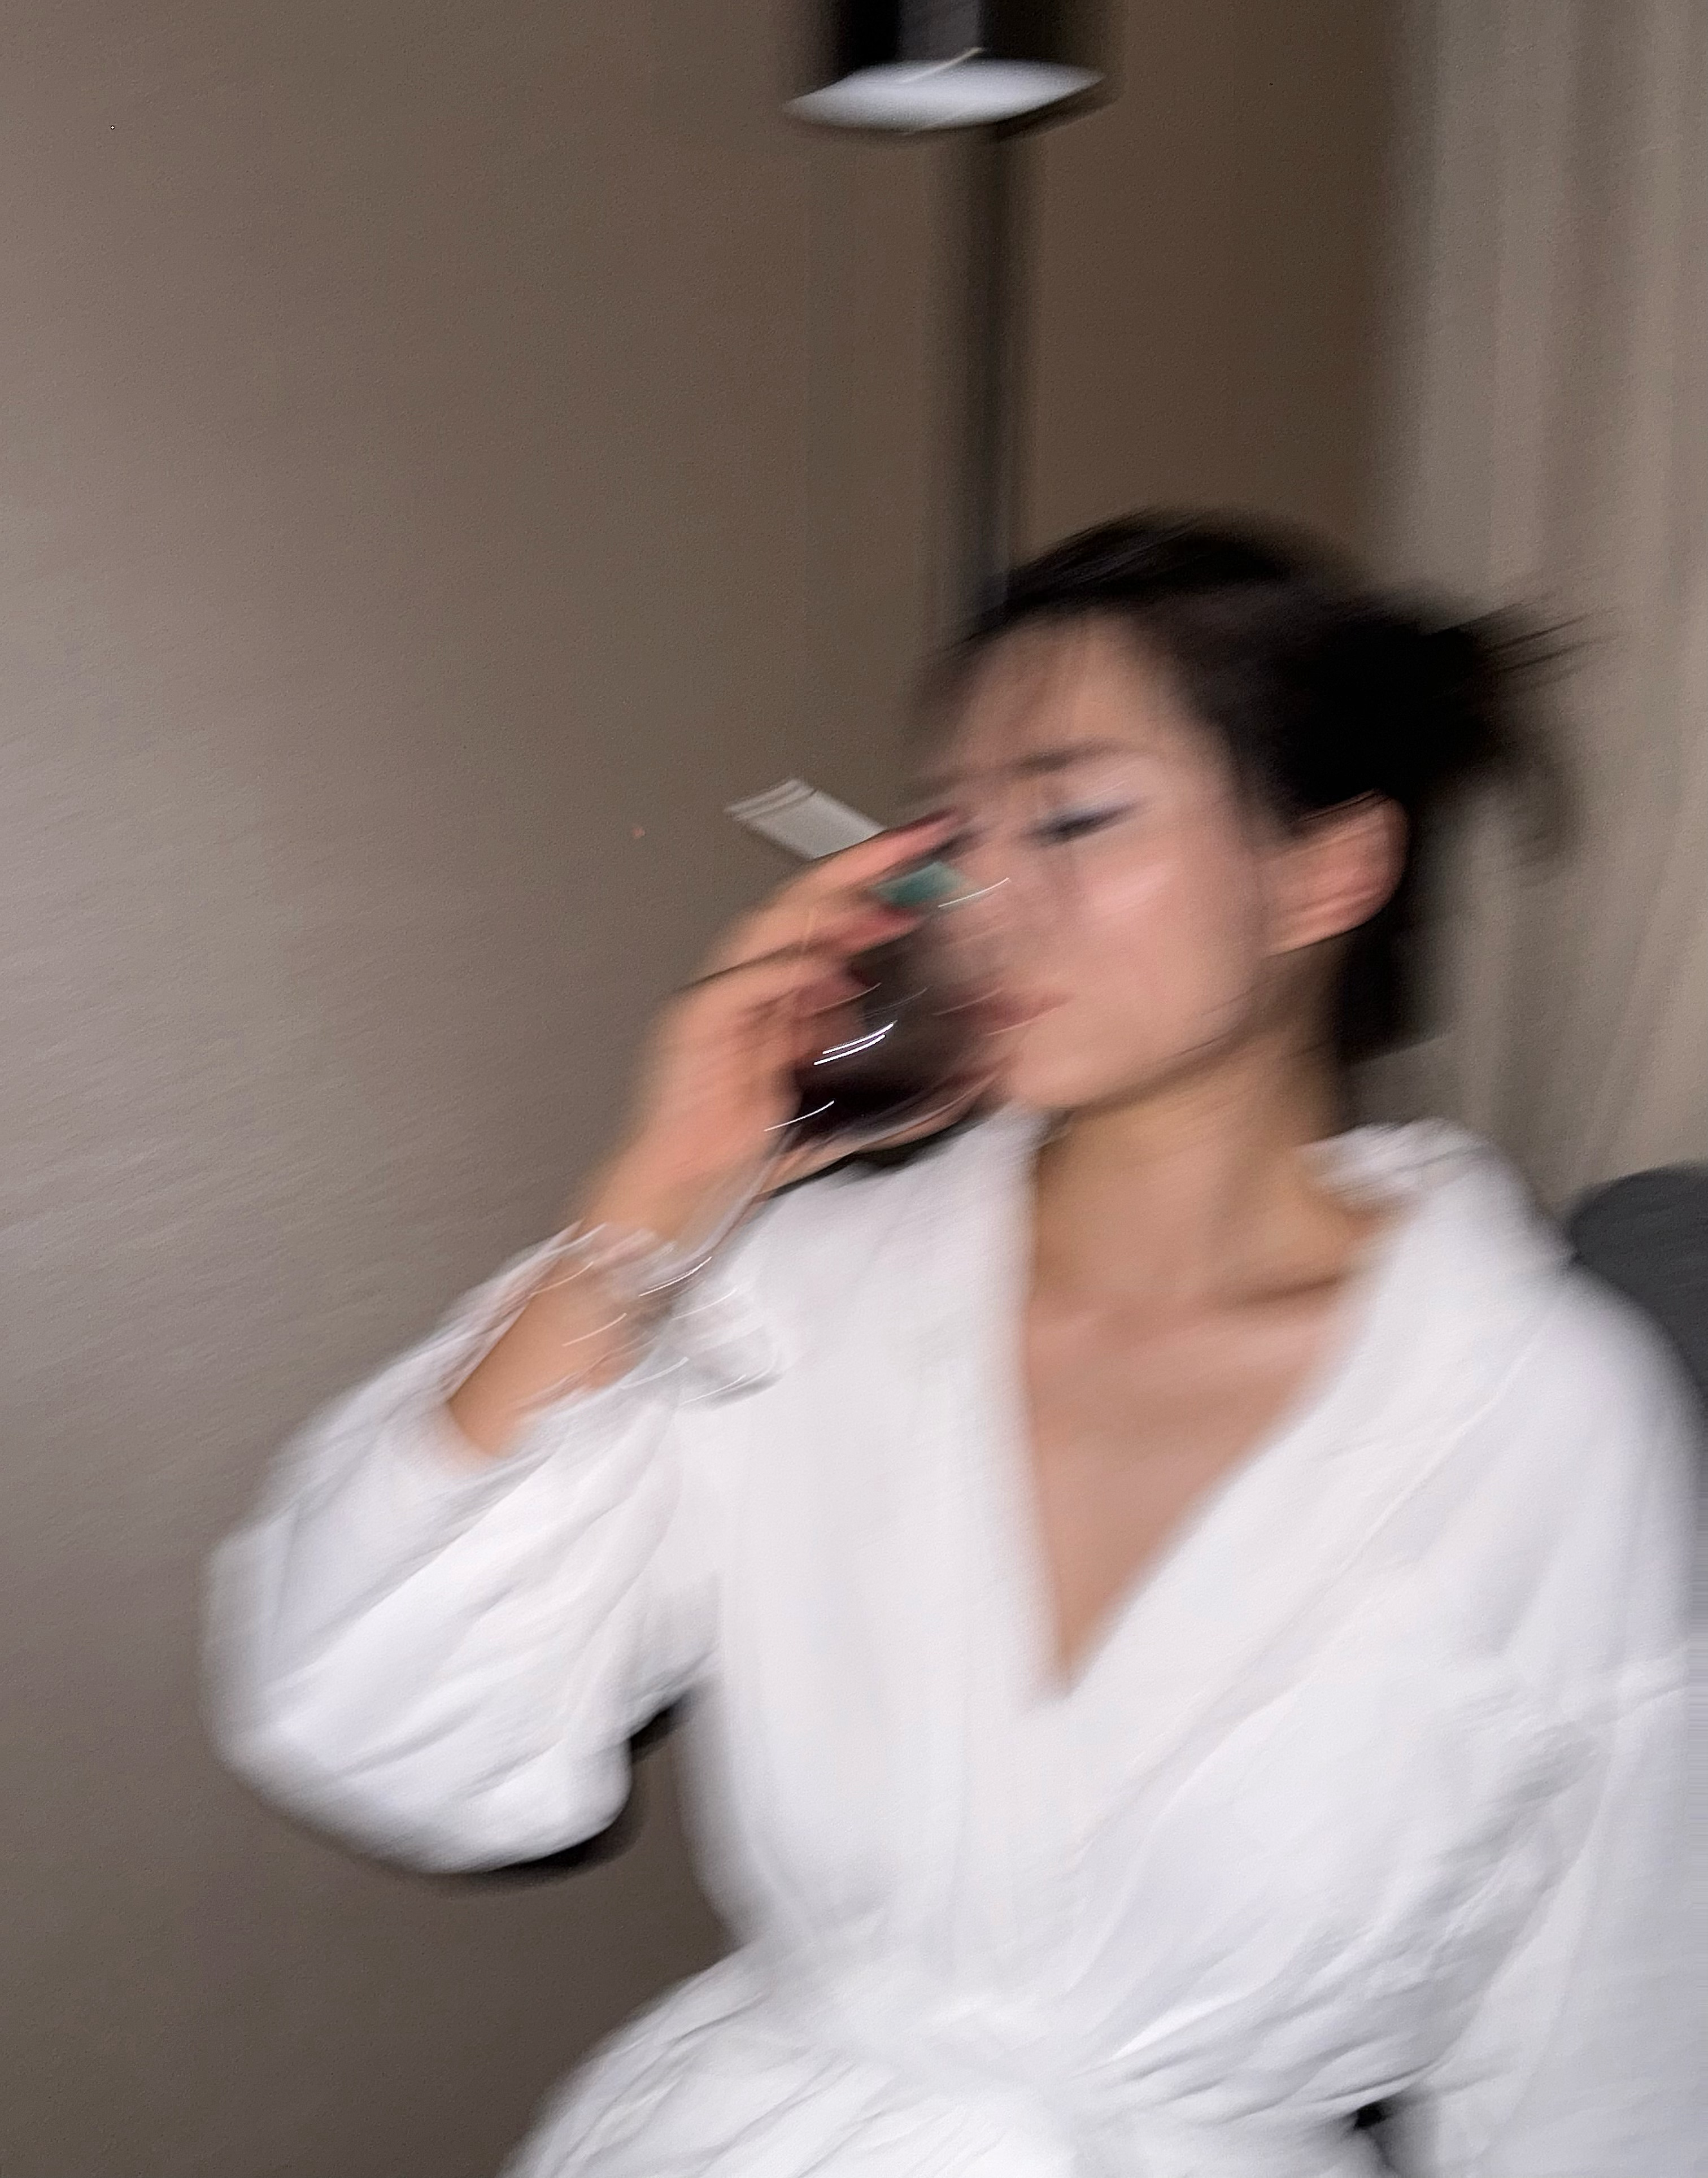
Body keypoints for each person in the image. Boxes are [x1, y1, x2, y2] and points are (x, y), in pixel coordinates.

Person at [206, 516, 1702, 2177]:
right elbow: (376, 1723)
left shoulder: (1541, 1414)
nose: (981, 899)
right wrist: (660, 1199)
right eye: (948, 841)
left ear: (1326, 870)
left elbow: (1609, 2062)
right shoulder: (808, 1296)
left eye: (1072, 818)